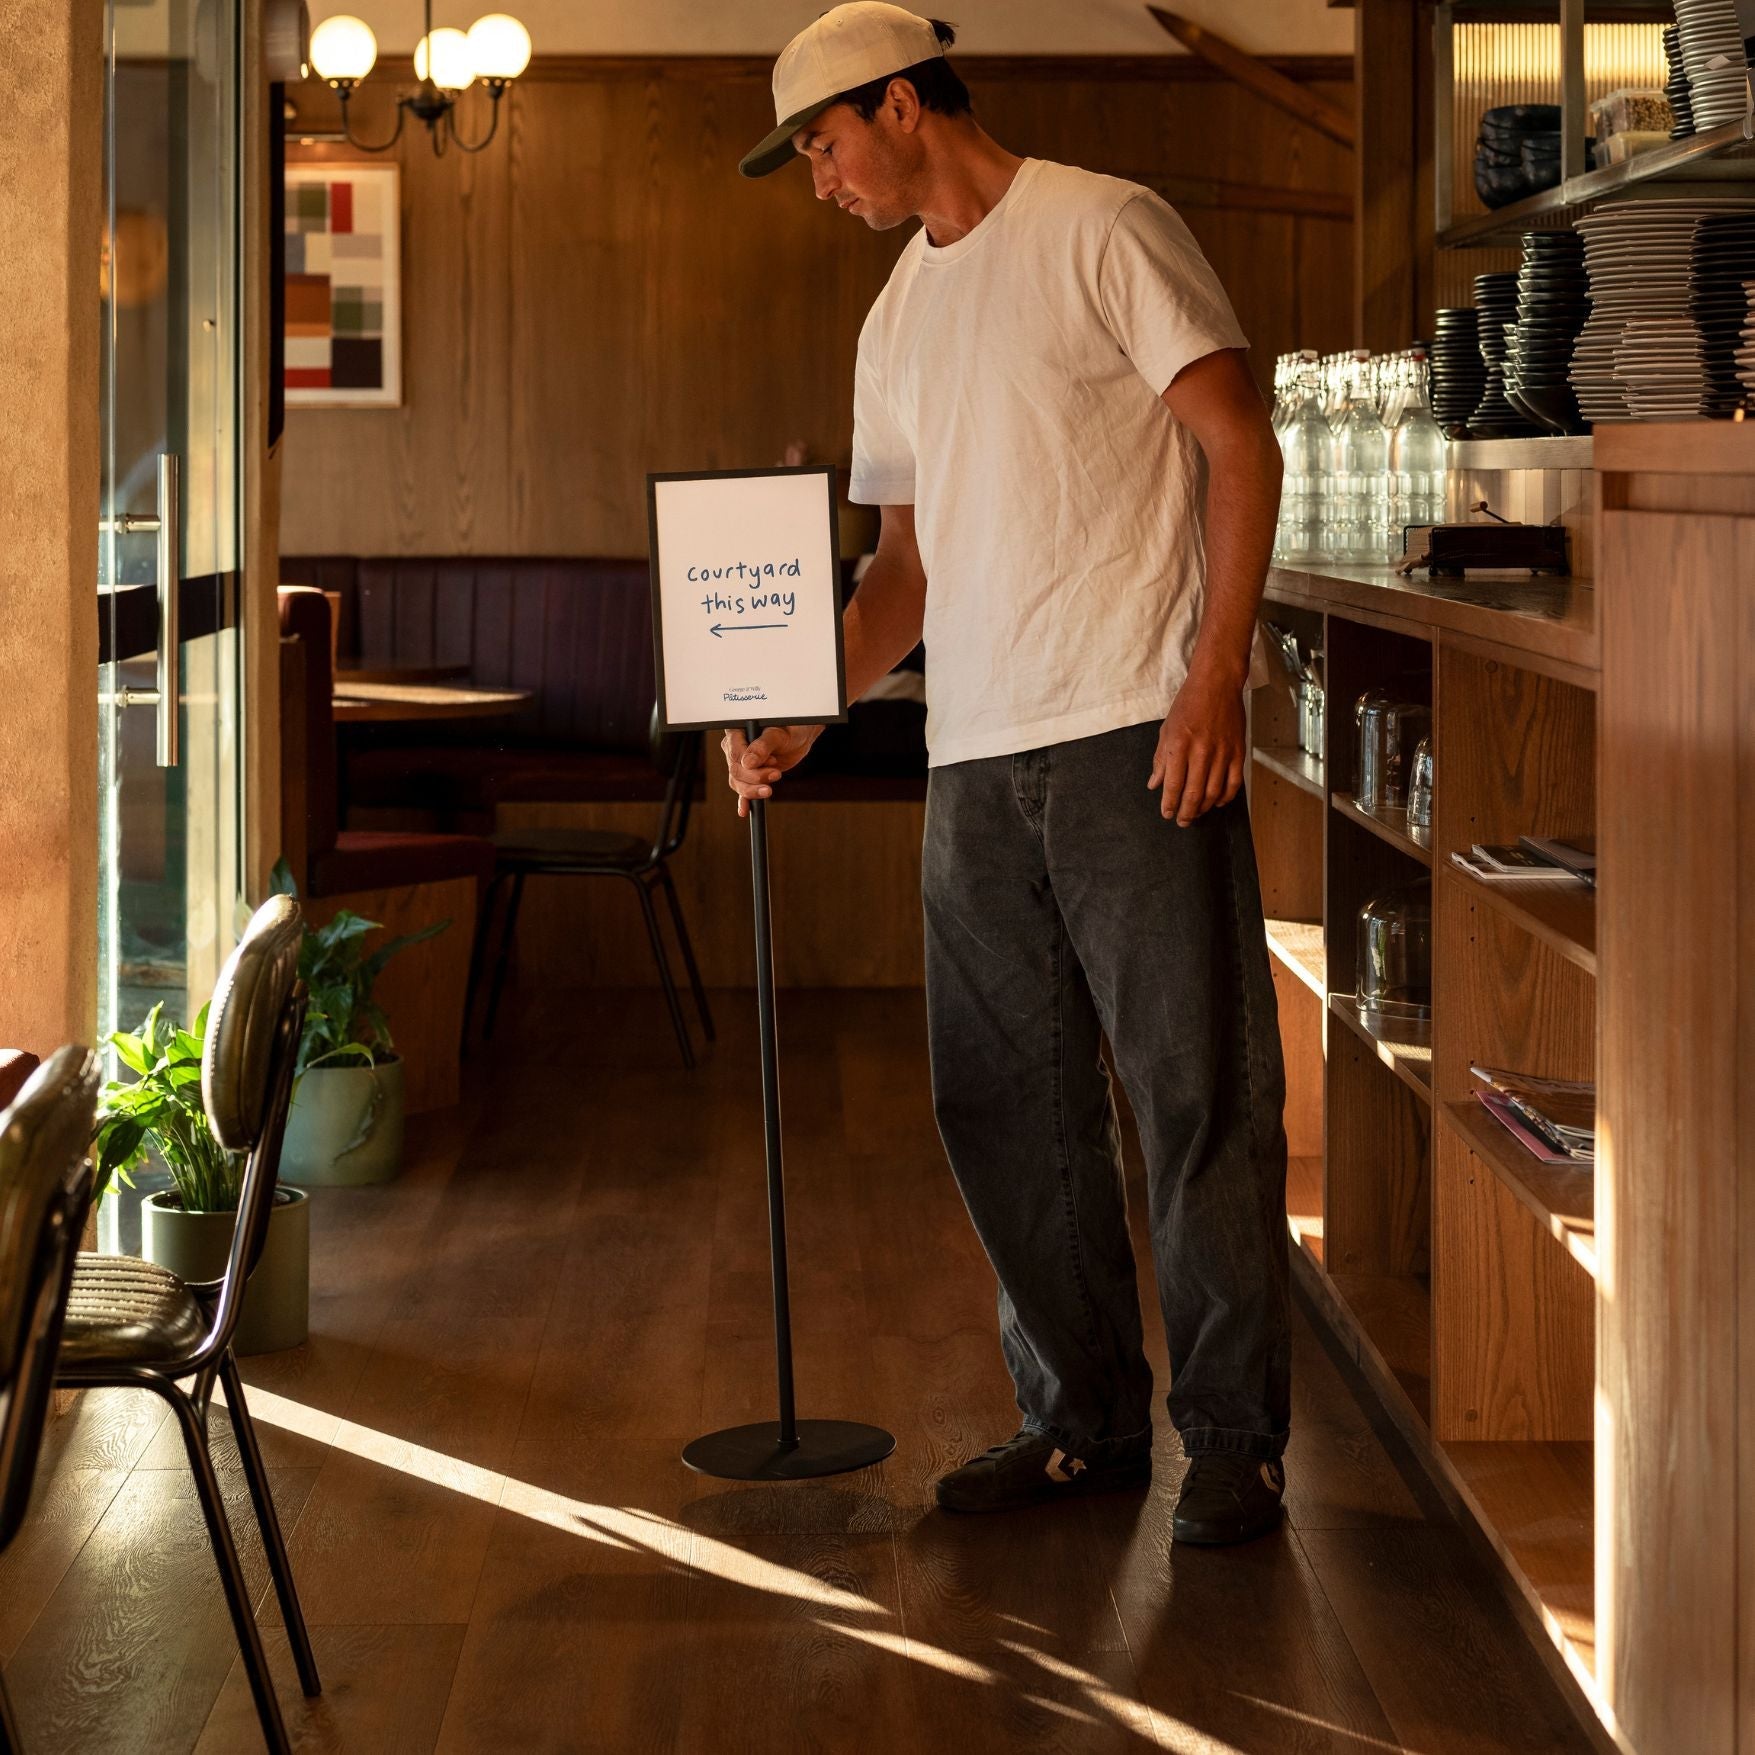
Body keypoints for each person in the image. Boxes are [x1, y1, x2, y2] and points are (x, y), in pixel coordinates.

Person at [729, 2, 1292, 1546]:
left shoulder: (1107, 225)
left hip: (1133, 725)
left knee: (1195, 1096)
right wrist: (803, 707)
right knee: (1005, 1104)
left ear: (902, 104)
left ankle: (1235, 1443)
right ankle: (1082, 1426)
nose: (819, 179)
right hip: (971, 754)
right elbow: (899, 573)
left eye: (824, 145)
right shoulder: (895, 316)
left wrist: (1212, 671)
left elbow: (1240, 442)